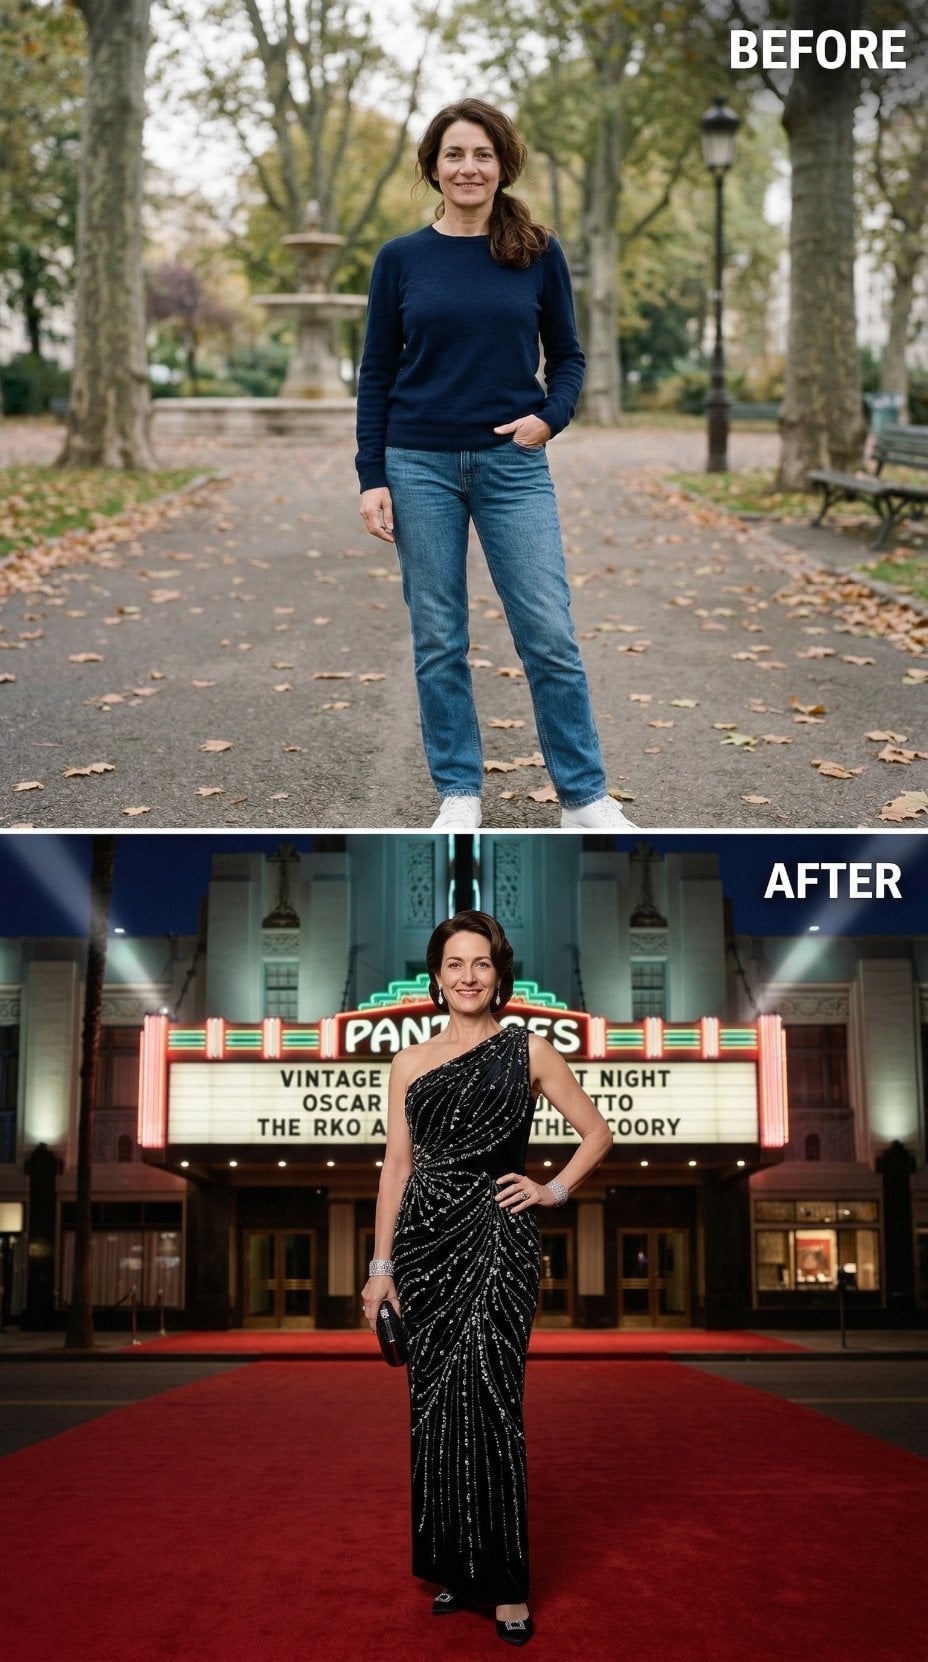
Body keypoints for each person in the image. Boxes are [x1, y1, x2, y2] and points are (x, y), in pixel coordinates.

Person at [355, 98, 636, 832]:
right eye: (454, 154)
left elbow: (568, 356)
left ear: (502, 165)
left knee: (548, 633)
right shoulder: (400, 259)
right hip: (417, 465)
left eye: (482, 154)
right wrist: (371, 475)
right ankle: (459, 793)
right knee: (438, 638)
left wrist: (551, 417)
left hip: (512, 465)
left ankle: (584, 798)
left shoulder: (538, 252)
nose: (468, 167)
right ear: (433, 167)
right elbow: (376, 371)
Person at [361, 910, 614, 1646]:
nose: (468, 976)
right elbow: (397, 1169)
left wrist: (552, 1189)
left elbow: (598, 1132)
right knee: (435, 1411)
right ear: (436, 977)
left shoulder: (529, 1049)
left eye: (480, 962)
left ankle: (505, 1587)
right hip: (423, 1249)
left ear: (498, 973)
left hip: (499, 1244)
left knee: (494, 1407)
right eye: (454, 963)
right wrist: (380, 1269)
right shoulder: (409, 1061)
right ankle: (457, 1570)